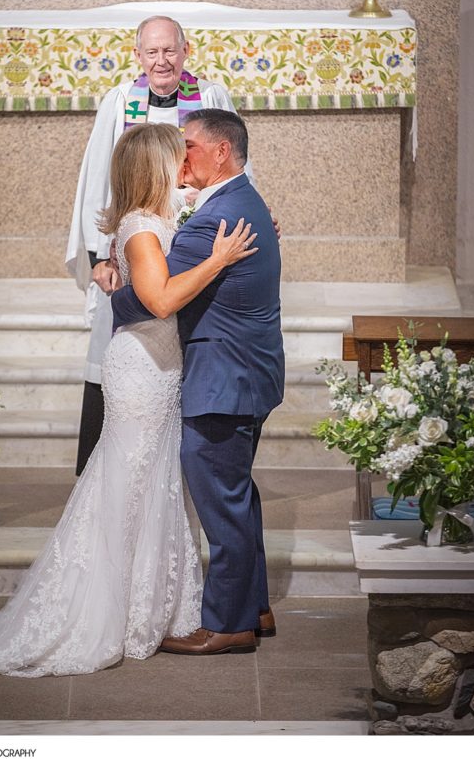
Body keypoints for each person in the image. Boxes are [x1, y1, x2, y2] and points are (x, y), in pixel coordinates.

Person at [0, 123, 257, 681]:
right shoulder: (143, 230)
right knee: (126, 484)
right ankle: (101, 611)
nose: (184, 168)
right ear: (155, 169)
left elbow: (171, 245)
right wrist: (219, 260)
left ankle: (146, 605)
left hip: (160, 367)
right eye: (176, 159)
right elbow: (160, 298)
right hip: (143, 369)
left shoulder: (155, 221)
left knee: (151, 484)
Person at [112, 109, 285, 654]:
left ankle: (229, 624)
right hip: (241, 372)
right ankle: (253, 606)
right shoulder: (238, 202)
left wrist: (111, 287)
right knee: (237, 496)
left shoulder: (216, 220)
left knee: (223, 502)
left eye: (188, 144)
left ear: (220, 152)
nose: (181, 155)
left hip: (223, 379)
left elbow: (153, 295)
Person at [66, 15, 252, 475]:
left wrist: (249, 213)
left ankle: (184, 468)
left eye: (170, 50)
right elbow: (98, 183)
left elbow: (235, 169)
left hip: (192, 245)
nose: (162, 60)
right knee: (120, 349)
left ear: (186, 52)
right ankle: (102, 469)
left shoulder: (209, 98)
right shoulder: (118, 102)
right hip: (132, 250)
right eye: (152, 52)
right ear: (138, 56)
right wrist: (98, 256)